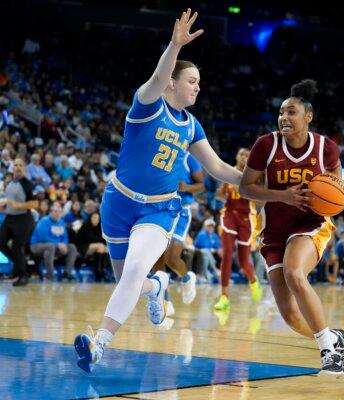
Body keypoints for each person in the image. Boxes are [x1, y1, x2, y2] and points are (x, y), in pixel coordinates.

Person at [74, 9, 242, 373]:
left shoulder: (191, 125)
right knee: (128, 281)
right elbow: (156, 76)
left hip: (159, 209)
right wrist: (174, 45)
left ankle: (98, 344)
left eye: (199, 82)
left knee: (133, 269)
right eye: (192, 81)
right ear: (172, 84)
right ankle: (159, 286)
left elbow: (218, 168)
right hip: (117, 203)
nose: (198, 87)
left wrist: (259, 184)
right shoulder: (147, 104)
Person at [239, 79, 344, 377]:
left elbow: (336, 178)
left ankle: (328, 352)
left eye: (291, 112)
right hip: (274, 231)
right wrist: (283, 195)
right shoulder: (266, 145)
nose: (283, 117)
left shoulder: (325, 147)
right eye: (281, 112)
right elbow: (246, 187)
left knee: (294, 272)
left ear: (308, 117)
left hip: (310, 223)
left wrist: (339, 195)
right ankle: (335, 339)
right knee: (291, 316)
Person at [151, 152, 205, 309]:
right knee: (157, 256)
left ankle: (187, 278)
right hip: (161, 210)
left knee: (171, 258)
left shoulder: (189, 158)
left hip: (181, 211)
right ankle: (165, 301)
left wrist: (186, 187)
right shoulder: (159, 154)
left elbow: (201, 185)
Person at [213, 148, 263, 311]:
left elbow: (259, 197)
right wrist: (222, 193)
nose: (243, 157)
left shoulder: (253, 176)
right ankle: (224, 297)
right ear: (236, 156)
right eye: (241, 154)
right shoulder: (229, 172)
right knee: (227, 255)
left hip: (246, 218)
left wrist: (243, 191)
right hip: (229, 215)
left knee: (243, 261)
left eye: (247, 155)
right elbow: (219, 195)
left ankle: (253, 280)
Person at [0, 158, 39, 286]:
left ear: (24, 169)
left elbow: (35, 203)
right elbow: (9, 204)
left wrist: (18, 205)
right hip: (10, 218)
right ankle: (17, 268)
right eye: (15, 165)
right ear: (12, 167)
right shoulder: (10, 184)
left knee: (17, 247)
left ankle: (22, 275)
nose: (17, 167)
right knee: (1, 241)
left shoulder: (27, 184)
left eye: (20, 165)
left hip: (24, 219)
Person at [30, 201, 78, 281]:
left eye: (59, 212)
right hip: (36, 246)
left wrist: (64, 244)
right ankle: (50, 274)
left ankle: (67, 273)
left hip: (55, 246)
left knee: (72, 247)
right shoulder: (44, 221)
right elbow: (43, 238)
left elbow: (65, 237)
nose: (57, 214)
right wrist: (58, 244)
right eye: (55, 212)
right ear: (50, 212)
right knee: (50, 246)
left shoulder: (61, 222)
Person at [75, 212, 110, 282]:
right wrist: (101, 240)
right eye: (94, 218)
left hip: (93, 246)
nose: (96, 220)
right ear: (90, 218)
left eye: (97, 218)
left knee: (106, 248)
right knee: (100, 246)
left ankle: (103, 270)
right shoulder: (86, 225)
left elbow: (103, 239)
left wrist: (102, 240)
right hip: (81, 247)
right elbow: (92, 238)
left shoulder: (99, 227)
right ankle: (98, 271)